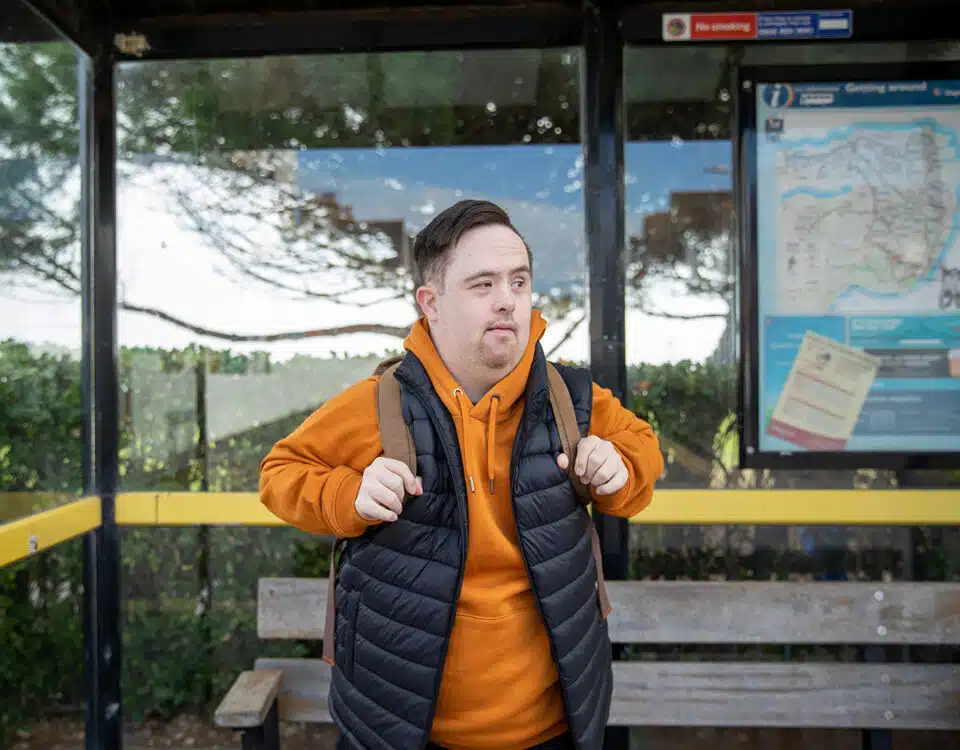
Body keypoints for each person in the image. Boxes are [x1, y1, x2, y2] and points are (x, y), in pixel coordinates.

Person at [259, 200, 663, 750]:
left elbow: (641, 452)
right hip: (400, 733)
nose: (507, 301)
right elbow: (279, 473)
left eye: (519, 282)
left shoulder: (575, 400)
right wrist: (348, 495)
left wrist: (620, 471)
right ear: (432, 303)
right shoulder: (377, 405)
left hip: (556, 731)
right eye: (482, 284)